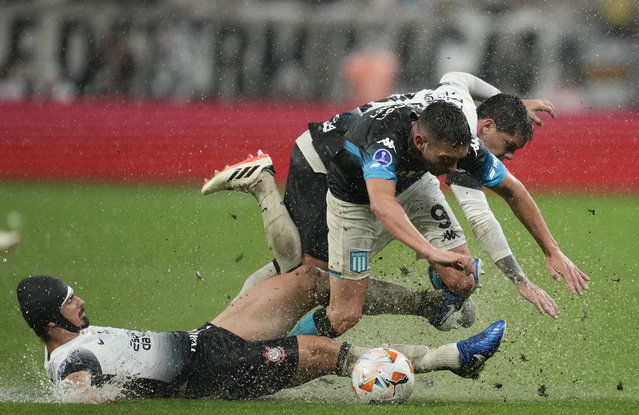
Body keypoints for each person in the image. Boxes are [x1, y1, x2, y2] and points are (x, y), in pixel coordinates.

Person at [202, 72, 587, 331]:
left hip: (409, 174)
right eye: (509, 146)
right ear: (486, 128)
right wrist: (433, 253)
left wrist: (552, 252)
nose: (509, 156)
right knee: (308, 275)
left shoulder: (460, 131)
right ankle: (263, 187)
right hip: (327, 164)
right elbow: (387, 207)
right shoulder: (386, 145)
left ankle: (437, 301)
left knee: (463, 279)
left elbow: (459, 80)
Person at [16, 271, 506, 402]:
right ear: (50, 319)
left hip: (204, 341)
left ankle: (433, 307)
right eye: (69, 299)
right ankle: (452, 358)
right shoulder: (67, 358)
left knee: (308, 280)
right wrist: (99, 401)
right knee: (325, 353)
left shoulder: (76, 335)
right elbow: (77, 390)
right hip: (210, 374)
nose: (79, 302)